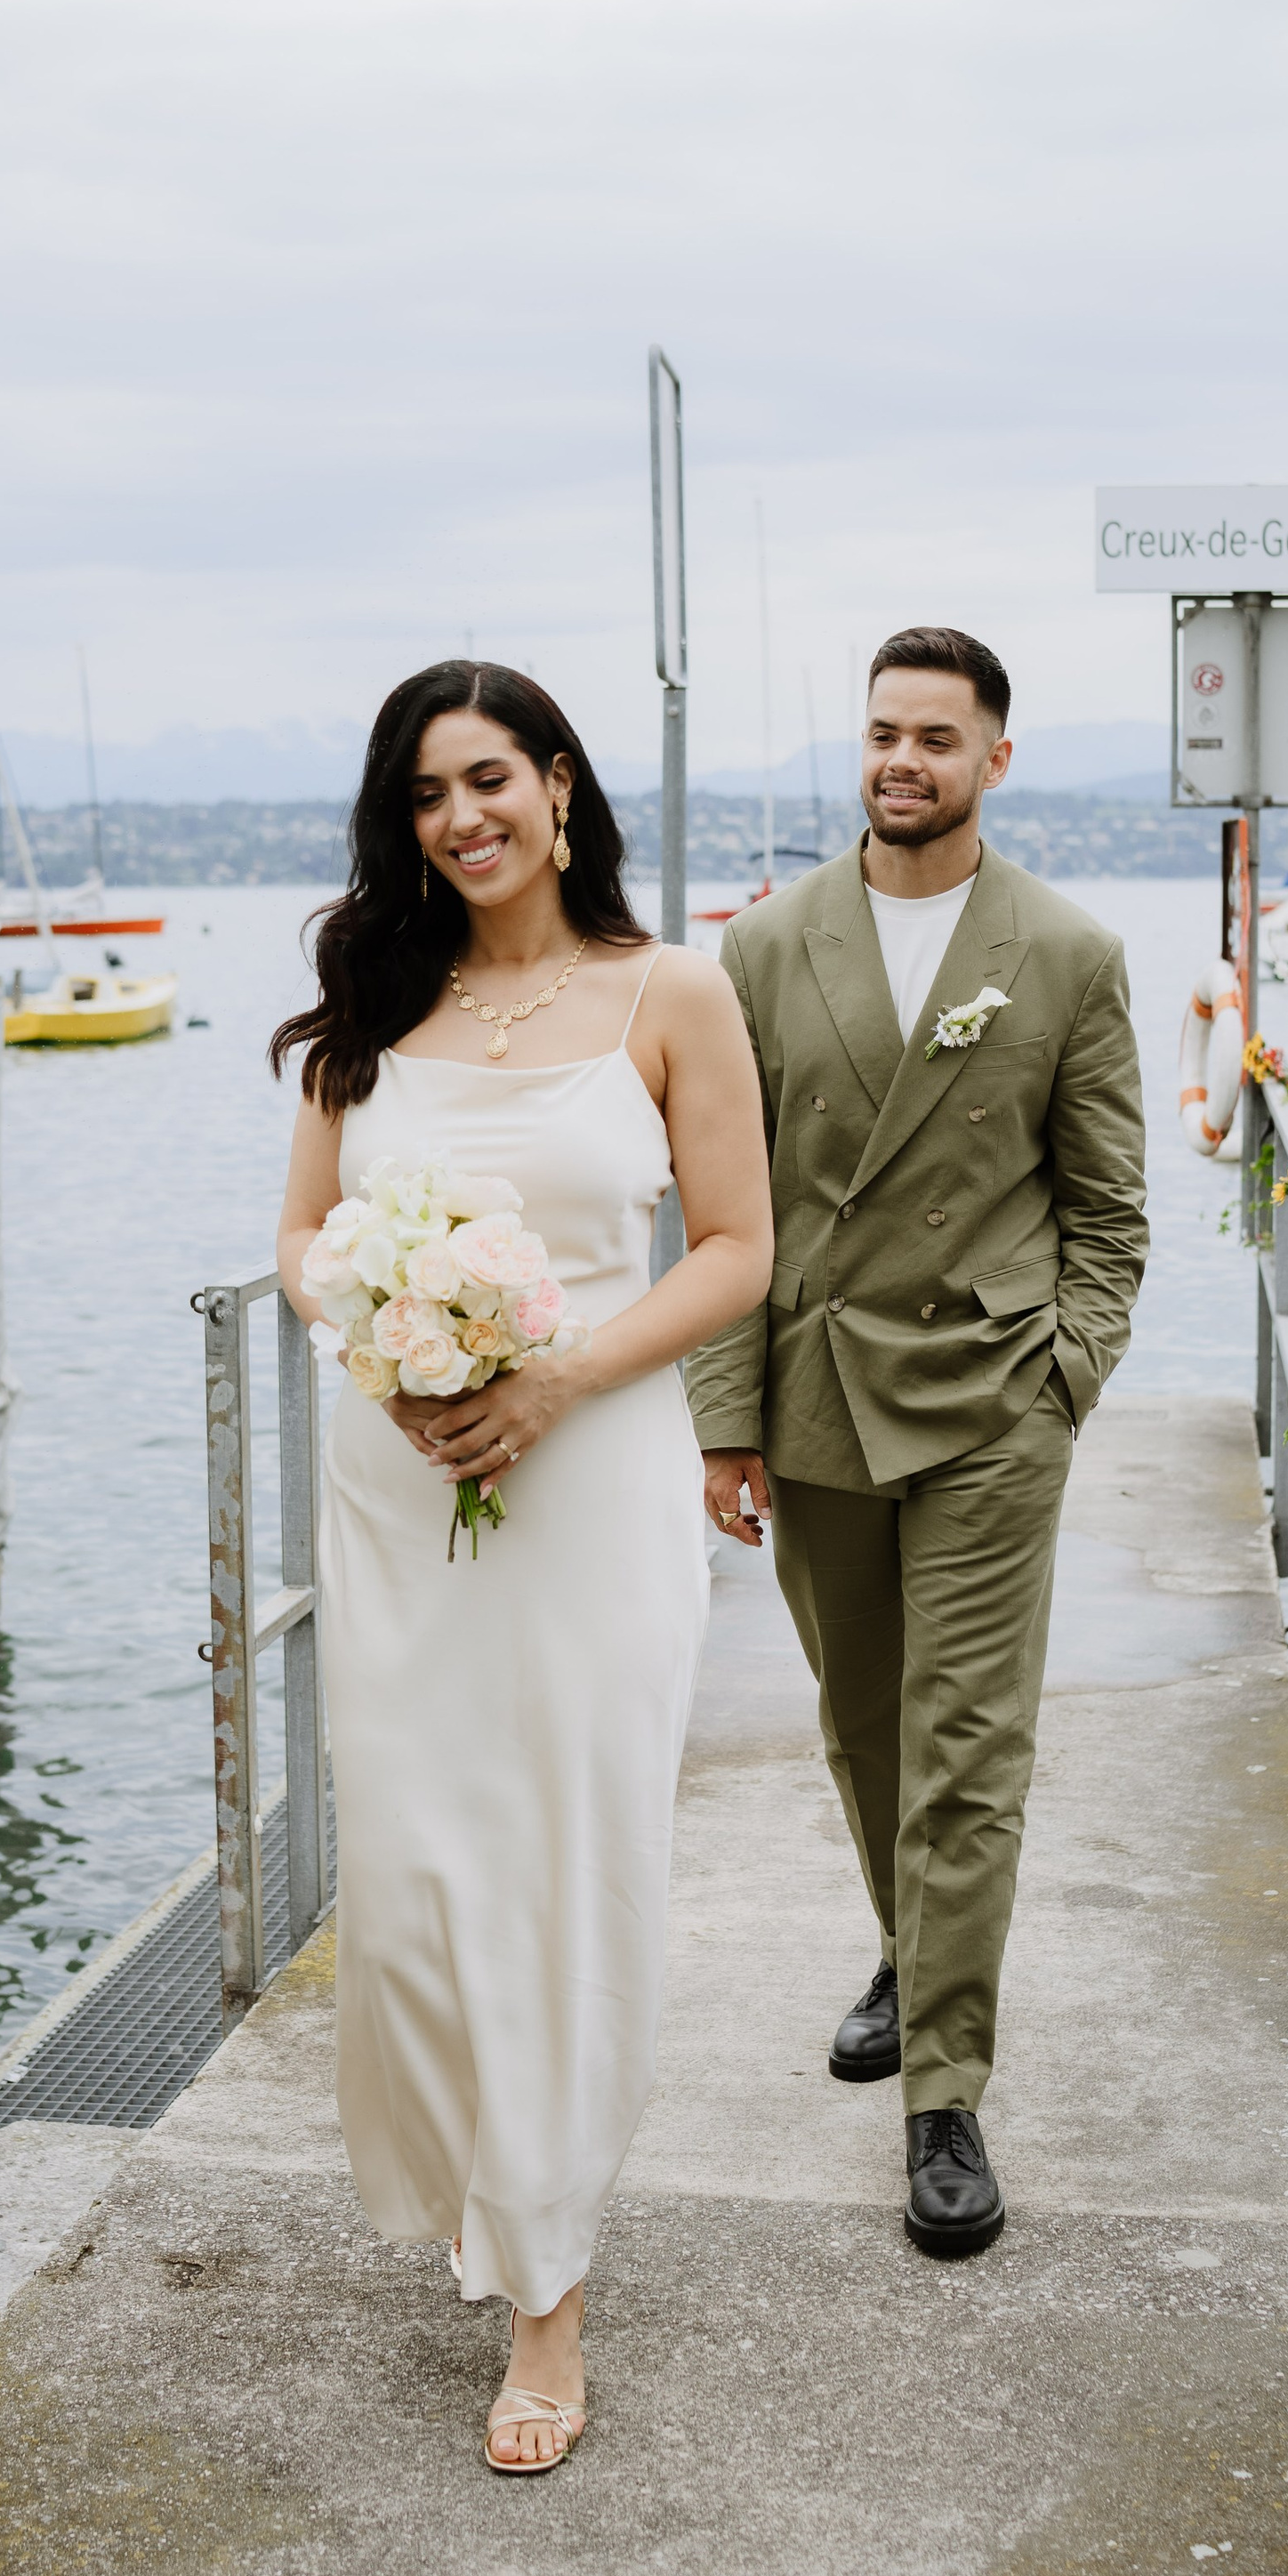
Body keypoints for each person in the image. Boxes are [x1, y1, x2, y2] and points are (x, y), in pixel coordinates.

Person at [272, 661, 770, 2475]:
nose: (459, 818)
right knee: (406, 1882)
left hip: (592, 1476)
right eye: (423, 795)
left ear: (559, 787)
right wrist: (388, 1343)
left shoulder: (670, 994)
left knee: (563, 1869)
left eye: (488, 779)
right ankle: (468, 2188)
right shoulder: (370, 1002)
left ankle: (544, 2295)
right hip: (399, 1483)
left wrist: (550, 1375)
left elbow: (732, 1250)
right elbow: (300, 1236)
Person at [688, 626, 1147, 2257]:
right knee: (865, 1724)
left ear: (994, 760)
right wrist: (721, 1423)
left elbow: (1110, 1211)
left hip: (985, 1405)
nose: (903, 761)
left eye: (937, 739)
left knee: (968, 1749)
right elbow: (723, 1209)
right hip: (814, 1398)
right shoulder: (762, 947)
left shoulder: (1068, 953)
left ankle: (943, 2091)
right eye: (883, 732)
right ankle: (910, 1944)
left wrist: (1062, 1380)